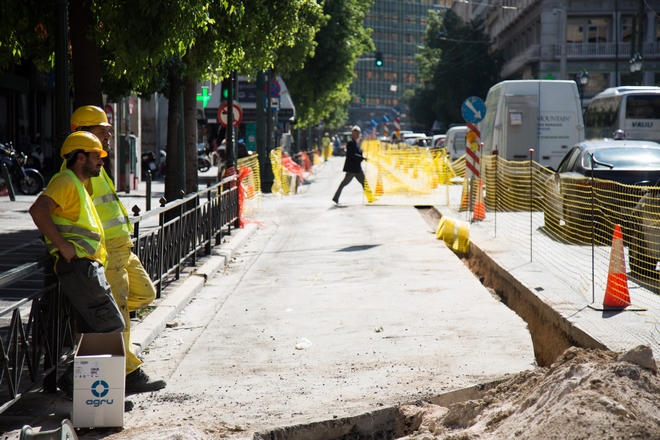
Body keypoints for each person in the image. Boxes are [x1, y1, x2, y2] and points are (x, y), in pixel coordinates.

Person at [70, 105, 166, 395]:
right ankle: (128, 374)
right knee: (119, 315)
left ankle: (101, 331)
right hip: (107, 254)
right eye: (103, 130)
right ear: (83, 133)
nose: (109, 134)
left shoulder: (97, 166)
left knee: (146, 294)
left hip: (123, 249)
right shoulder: (80, 170)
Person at [29, 131, 125, 398]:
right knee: (111, 326)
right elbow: (38, 210)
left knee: (95, 331)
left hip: (85, 267)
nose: (101, 162)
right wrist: (62, 245)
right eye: (96, 156)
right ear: (80, 157)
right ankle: (76, 384)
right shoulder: (66, 180)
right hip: (79, 268)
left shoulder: (78, 184)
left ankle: (94, 397)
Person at [332, 126, 367, 204]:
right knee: (344, 183)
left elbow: (357, 153)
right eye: (356, 133)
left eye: (359, 133)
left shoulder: (356, 143)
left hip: (357, 168)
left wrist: (361, 152)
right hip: (352, 168)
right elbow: (352, 154)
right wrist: (362, 158)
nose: (358, 135)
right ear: (353, 134)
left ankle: (371, 198)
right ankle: (335, 197)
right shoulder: (350, 143)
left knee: (364, 183)